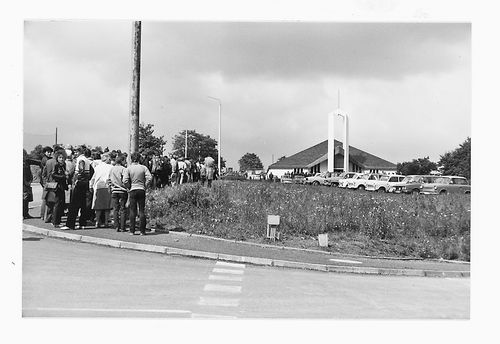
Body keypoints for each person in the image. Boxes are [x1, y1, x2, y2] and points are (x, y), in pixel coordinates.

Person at [61, 146, 94, 230]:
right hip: (85, 183)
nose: (75, 153)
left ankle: (70, 224)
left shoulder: (81, 159)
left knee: (74, 205)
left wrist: (77, 179)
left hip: (79, 183)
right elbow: (91, 171)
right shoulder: (87, 160)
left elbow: (81, 169)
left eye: (76, 152)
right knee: (83, 204)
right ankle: (82, 223)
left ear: (80, 152)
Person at [123, 152, 152, 235]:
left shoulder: (128, 168)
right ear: (139, 159)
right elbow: (149, 177)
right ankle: (142, 231)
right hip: (141, 189)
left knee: (132, 211)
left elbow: (125, 180)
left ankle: (132, 230)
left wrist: (128, 187)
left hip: (133, 189)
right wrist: (145, 185)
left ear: (131, 159)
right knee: (142, 210)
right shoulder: (143, 168)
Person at [90, 152, 113, 228]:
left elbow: (93, 178)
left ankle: (97, 221)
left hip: (98, 187)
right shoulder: (110, 167)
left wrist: (91, 186)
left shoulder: (97, 167)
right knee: (107, 206)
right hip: (107, 187)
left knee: (98, 206)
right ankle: (106, 222)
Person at [109, 155, 128, 232]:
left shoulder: (112, 169)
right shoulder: (123, 169)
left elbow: (109, 179)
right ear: (122, 161)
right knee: (123, 208)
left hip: (114, 190)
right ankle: (123, 227)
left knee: (115, 209)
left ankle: (116, 226)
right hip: (122, 190)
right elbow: (125, 180)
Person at [49, 150, 68, 228]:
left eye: (63, 158)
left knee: (61, 204)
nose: (61, 159)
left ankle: (58, 220)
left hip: (62, 186)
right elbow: (53, 175)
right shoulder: (56, 165)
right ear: (57, 158)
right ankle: (55, 221)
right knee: (57, 204)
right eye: (60, 157)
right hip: (58, 186)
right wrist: (63, 176)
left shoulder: (64, 165)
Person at [23, 149, 40, 219]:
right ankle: (23, 214)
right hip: (24, 183)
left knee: (26, 199)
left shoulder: (27, 161)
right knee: (23, 199)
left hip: (27, 182)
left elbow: (35, 162)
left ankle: (25, 213)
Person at [39, 146, 53, 220]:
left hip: (45, 181)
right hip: (46, 181)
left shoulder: (46, 159)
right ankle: (43, 215)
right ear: (45, 152)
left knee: (46, 198)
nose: (49, 153)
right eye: (48, 152)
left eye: (50, 152)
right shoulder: (45, 160)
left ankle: (43, 215)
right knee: (45, 198)